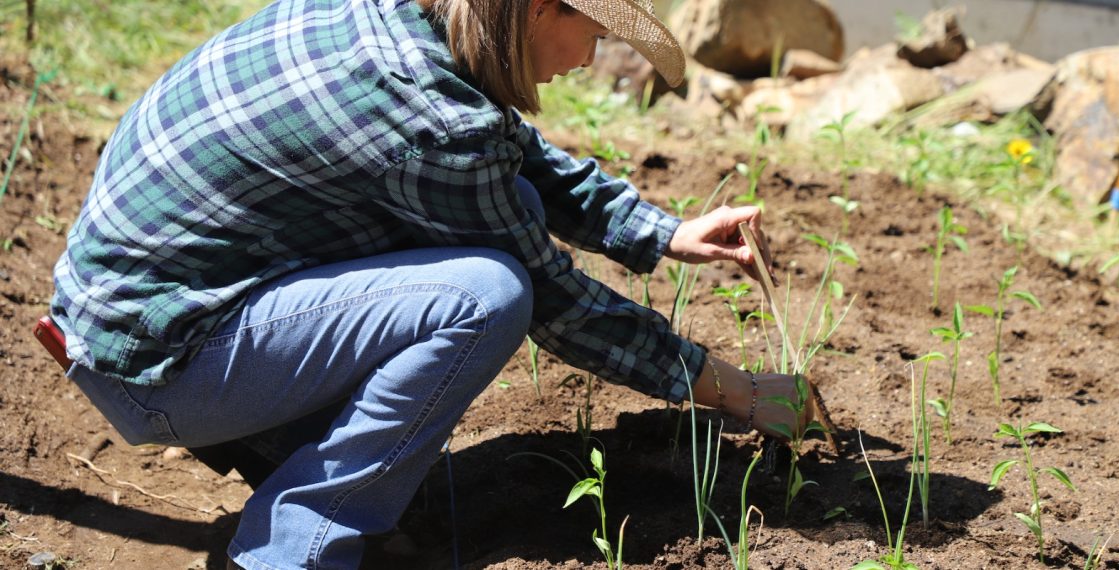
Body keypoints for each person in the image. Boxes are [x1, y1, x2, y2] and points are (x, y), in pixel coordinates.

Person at [49, 0, 817, 568]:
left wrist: (663, 233)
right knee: (488, 295)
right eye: (598, 32)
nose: (590, 57)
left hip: (131, 315)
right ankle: (293, 549)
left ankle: (278, 443)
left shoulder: (405, 22)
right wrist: (734, 389)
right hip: (161, 364)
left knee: (494, 214)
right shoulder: (437, 121)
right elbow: (558, 304)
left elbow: (515, 157)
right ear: (542, 9)